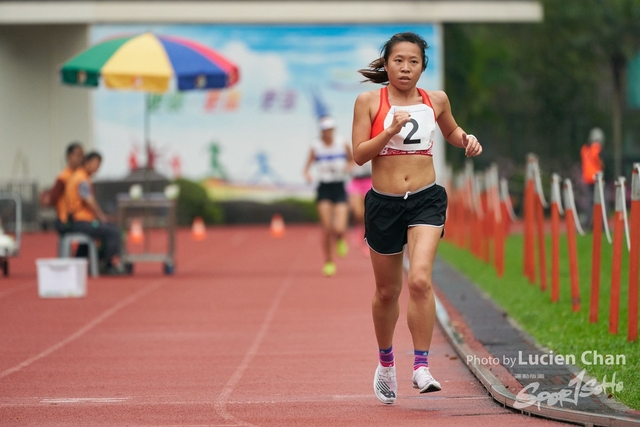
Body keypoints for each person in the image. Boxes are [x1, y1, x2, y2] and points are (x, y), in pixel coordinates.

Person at [352, 32, 482, 404]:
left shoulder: (435, 100)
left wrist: (466, 140)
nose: (405, 68)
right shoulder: (368, 102)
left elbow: (452, 130)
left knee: (421, 279)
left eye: (413, 61)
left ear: (423, 66)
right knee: (387, 291)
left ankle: (422, 366)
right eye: (398, 61)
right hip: (384, 204)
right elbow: (360, 155)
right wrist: (388, 131)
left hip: (426, 199)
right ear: (387, 64)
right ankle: (386, 361)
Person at [303, 116, 353, 276]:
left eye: (330, 130)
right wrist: (308, 175)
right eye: (325, 130)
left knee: (340, 227)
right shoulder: (316, 146)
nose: (327, 133)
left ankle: (340, 237)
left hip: (339, 187)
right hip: (324, 188)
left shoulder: (341, 143)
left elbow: (353, 160)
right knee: (327, 228)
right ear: (321, 131)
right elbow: (306, 167)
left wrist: (347, 168)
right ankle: (329, 261)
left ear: (333, 130)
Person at [64, 151, 123, 275]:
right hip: (79, 222)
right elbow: (89, 201)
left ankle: (83, 262)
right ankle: (105, 263)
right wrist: (102, 217)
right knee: (113, 231)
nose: (97, 168)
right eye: (96, 164)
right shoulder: (81, 178)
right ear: (87, 162)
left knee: (103, 229)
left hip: (77, 220)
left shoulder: (78, 176)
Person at [41, 142, 84, 235]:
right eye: (78, 155)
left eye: (82, 155)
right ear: (69, 156)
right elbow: (52, 198)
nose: (81, 158)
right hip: (67, 219)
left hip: (80, 217)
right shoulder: (64, 177)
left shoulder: (81, 174)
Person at [346, 160, 372, 256]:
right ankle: (358, 231)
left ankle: (367, 241)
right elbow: (348, 162)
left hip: (369, 180)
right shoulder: (352, 149)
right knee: (358, 213)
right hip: (356, 182)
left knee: (368, 214)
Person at [580, 127, 604, 229]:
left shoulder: (585, 150)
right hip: (596, 179)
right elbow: (600, 162)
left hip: (587, 178)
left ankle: (589, 222)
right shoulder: (596, 149)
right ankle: (600, 223)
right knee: (600, 201)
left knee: (590, 202)